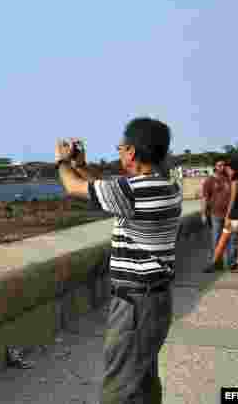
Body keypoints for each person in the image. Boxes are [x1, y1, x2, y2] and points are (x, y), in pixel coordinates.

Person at [54, 118, 181, 404]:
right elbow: (105, 187)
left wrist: (63, 163)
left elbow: (75, 188)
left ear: (132, 152)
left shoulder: (133, 192)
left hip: (135, 305)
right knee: (143, 379)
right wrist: (82, 166)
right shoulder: (166, 187)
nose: (120, 153)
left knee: (119, 388)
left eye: (121, 148)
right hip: (156, 300)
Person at [203, 158, 238, 272]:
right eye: (219, 165)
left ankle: (231, 263)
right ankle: (217, 264)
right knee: (216, 239)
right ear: (215, 167)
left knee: (232, 239)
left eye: (223, 165)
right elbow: (205, 198)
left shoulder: (230, 179)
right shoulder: (209, 180)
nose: (221, 167)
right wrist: (203, 213)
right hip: (216, 214)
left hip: (231, 215)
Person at [212, 160, 238, 273]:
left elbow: (232, 202)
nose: (227, 170)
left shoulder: (234, 183)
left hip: (234, 217)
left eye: (229, 168)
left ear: (235, 171)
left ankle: (213, 264)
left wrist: (227, 217)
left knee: (222, 241)